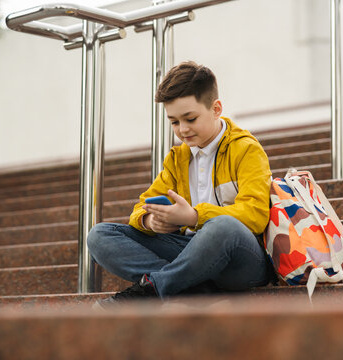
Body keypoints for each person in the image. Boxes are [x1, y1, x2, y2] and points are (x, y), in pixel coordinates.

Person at [88, 61, 273, 305]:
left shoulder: (246, 150)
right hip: (190, 253)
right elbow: (141, 208)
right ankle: (190, 288)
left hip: (241, 261)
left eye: (190, 118)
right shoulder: (177, 159)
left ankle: (154, 289)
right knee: (99, 235)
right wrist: (150, 221)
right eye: (174, 122)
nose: (182, 130)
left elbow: (256, 216)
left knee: (222, 227)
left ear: (216, 108)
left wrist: (194, 217)